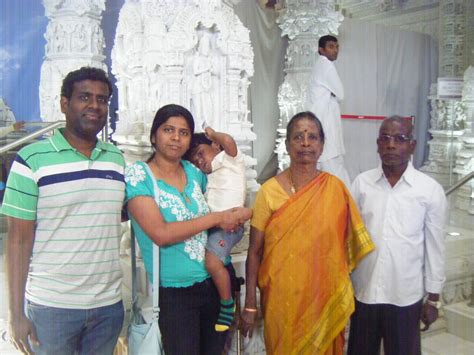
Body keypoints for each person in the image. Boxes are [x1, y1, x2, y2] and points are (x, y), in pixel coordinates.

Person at [2, 67, 125, 355]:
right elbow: (18, 241)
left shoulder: (116, 159)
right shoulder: (30, 160)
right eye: (84, 97)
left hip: (107, 307)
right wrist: (16, 314)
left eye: (102, 99)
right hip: (51, 308)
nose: (95, 105)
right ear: (64, 103)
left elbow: (116, 214)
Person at [241, 111, 374, 354]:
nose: (305, 143)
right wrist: (250, 303)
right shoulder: (268, 192)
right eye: (298, 137)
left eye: (312, 137)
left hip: (321, 299)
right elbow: (254, 251)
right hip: (281, 301)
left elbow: (348, 245)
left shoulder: (335, 189)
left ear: (321, 146)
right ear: (287, 144)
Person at [125, 104, 252, 355]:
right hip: (175, 294)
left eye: (184, 132)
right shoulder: (139, 176)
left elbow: (228, 194)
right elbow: (161, 234)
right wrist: (216, 218)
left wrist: (244, 212)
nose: (176, 137)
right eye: (168, 130)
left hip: (214, 285)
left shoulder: (195, 172)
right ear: (154, 136)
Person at [348, 116, 447, 355]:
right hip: (364, 293)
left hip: (405, 296)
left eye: (400, 139)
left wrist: (433, 299)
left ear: (412, 145)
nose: (391, 145)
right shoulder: (362, 184)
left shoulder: (429, 190)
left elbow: (435, 248)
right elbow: (348, 238)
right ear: (378, 144)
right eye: (385, 138)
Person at [186, 126, 246, 332]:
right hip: (215, 225)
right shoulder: (209, 174)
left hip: (229, 226)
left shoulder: (229, 159)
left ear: (215, 146)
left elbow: (229, 141)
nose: (200, 161)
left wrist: (214, 134)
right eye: (195, 161)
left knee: (211, 263)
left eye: (201, 153)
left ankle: (227, 304)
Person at [305, 35, 351, 188]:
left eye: (337, 47)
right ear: (321, 49)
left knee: (323, 168)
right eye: (331, 47)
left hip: (318, 122)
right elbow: (341, 93)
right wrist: (333, 95)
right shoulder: (326, 65)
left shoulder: (318, 65)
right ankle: (347, 205)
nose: (335, 50)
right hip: (326, 123)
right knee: (334, 167)